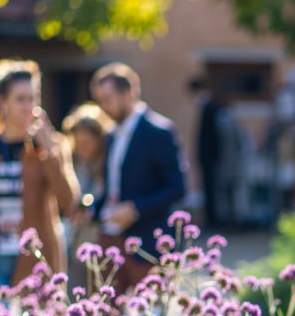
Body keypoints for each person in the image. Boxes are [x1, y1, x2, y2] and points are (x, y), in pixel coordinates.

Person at [0, 60, 78, 295]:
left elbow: (69, 202)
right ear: (1, 102)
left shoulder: (53, 145)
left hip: (35, 256)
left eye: (33, 98)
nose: (29, 107)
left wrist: (48, 152)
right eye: (21, 99)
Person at [90, 62, 187, 294]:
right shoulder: (111, 135)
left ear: (128, 94)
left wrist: (135, 209)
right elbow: (113, 187)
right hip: (109, 238)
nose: (103, 107)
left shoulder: (159, 132)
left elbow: (177, 187)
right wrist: (91, 208)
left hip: (146, 241)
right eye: (99, 100)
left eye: (107, 99)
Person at [61, 103, 112, 291]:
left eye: (86, 144)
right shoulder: (73, 162)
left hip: (101, 239)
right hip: (74, 239)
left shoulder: (109, 164)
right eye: (77, 143)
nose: (81, 149)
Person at [190, 76, 224, 229]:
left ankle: (213, 220)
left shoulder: (210, 108)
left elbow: (212, 136)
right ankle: (211, 218)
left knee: (212, 189)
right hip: (207, 157)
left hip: (210, 157)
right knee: (208, 188)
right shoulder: (208, 107)